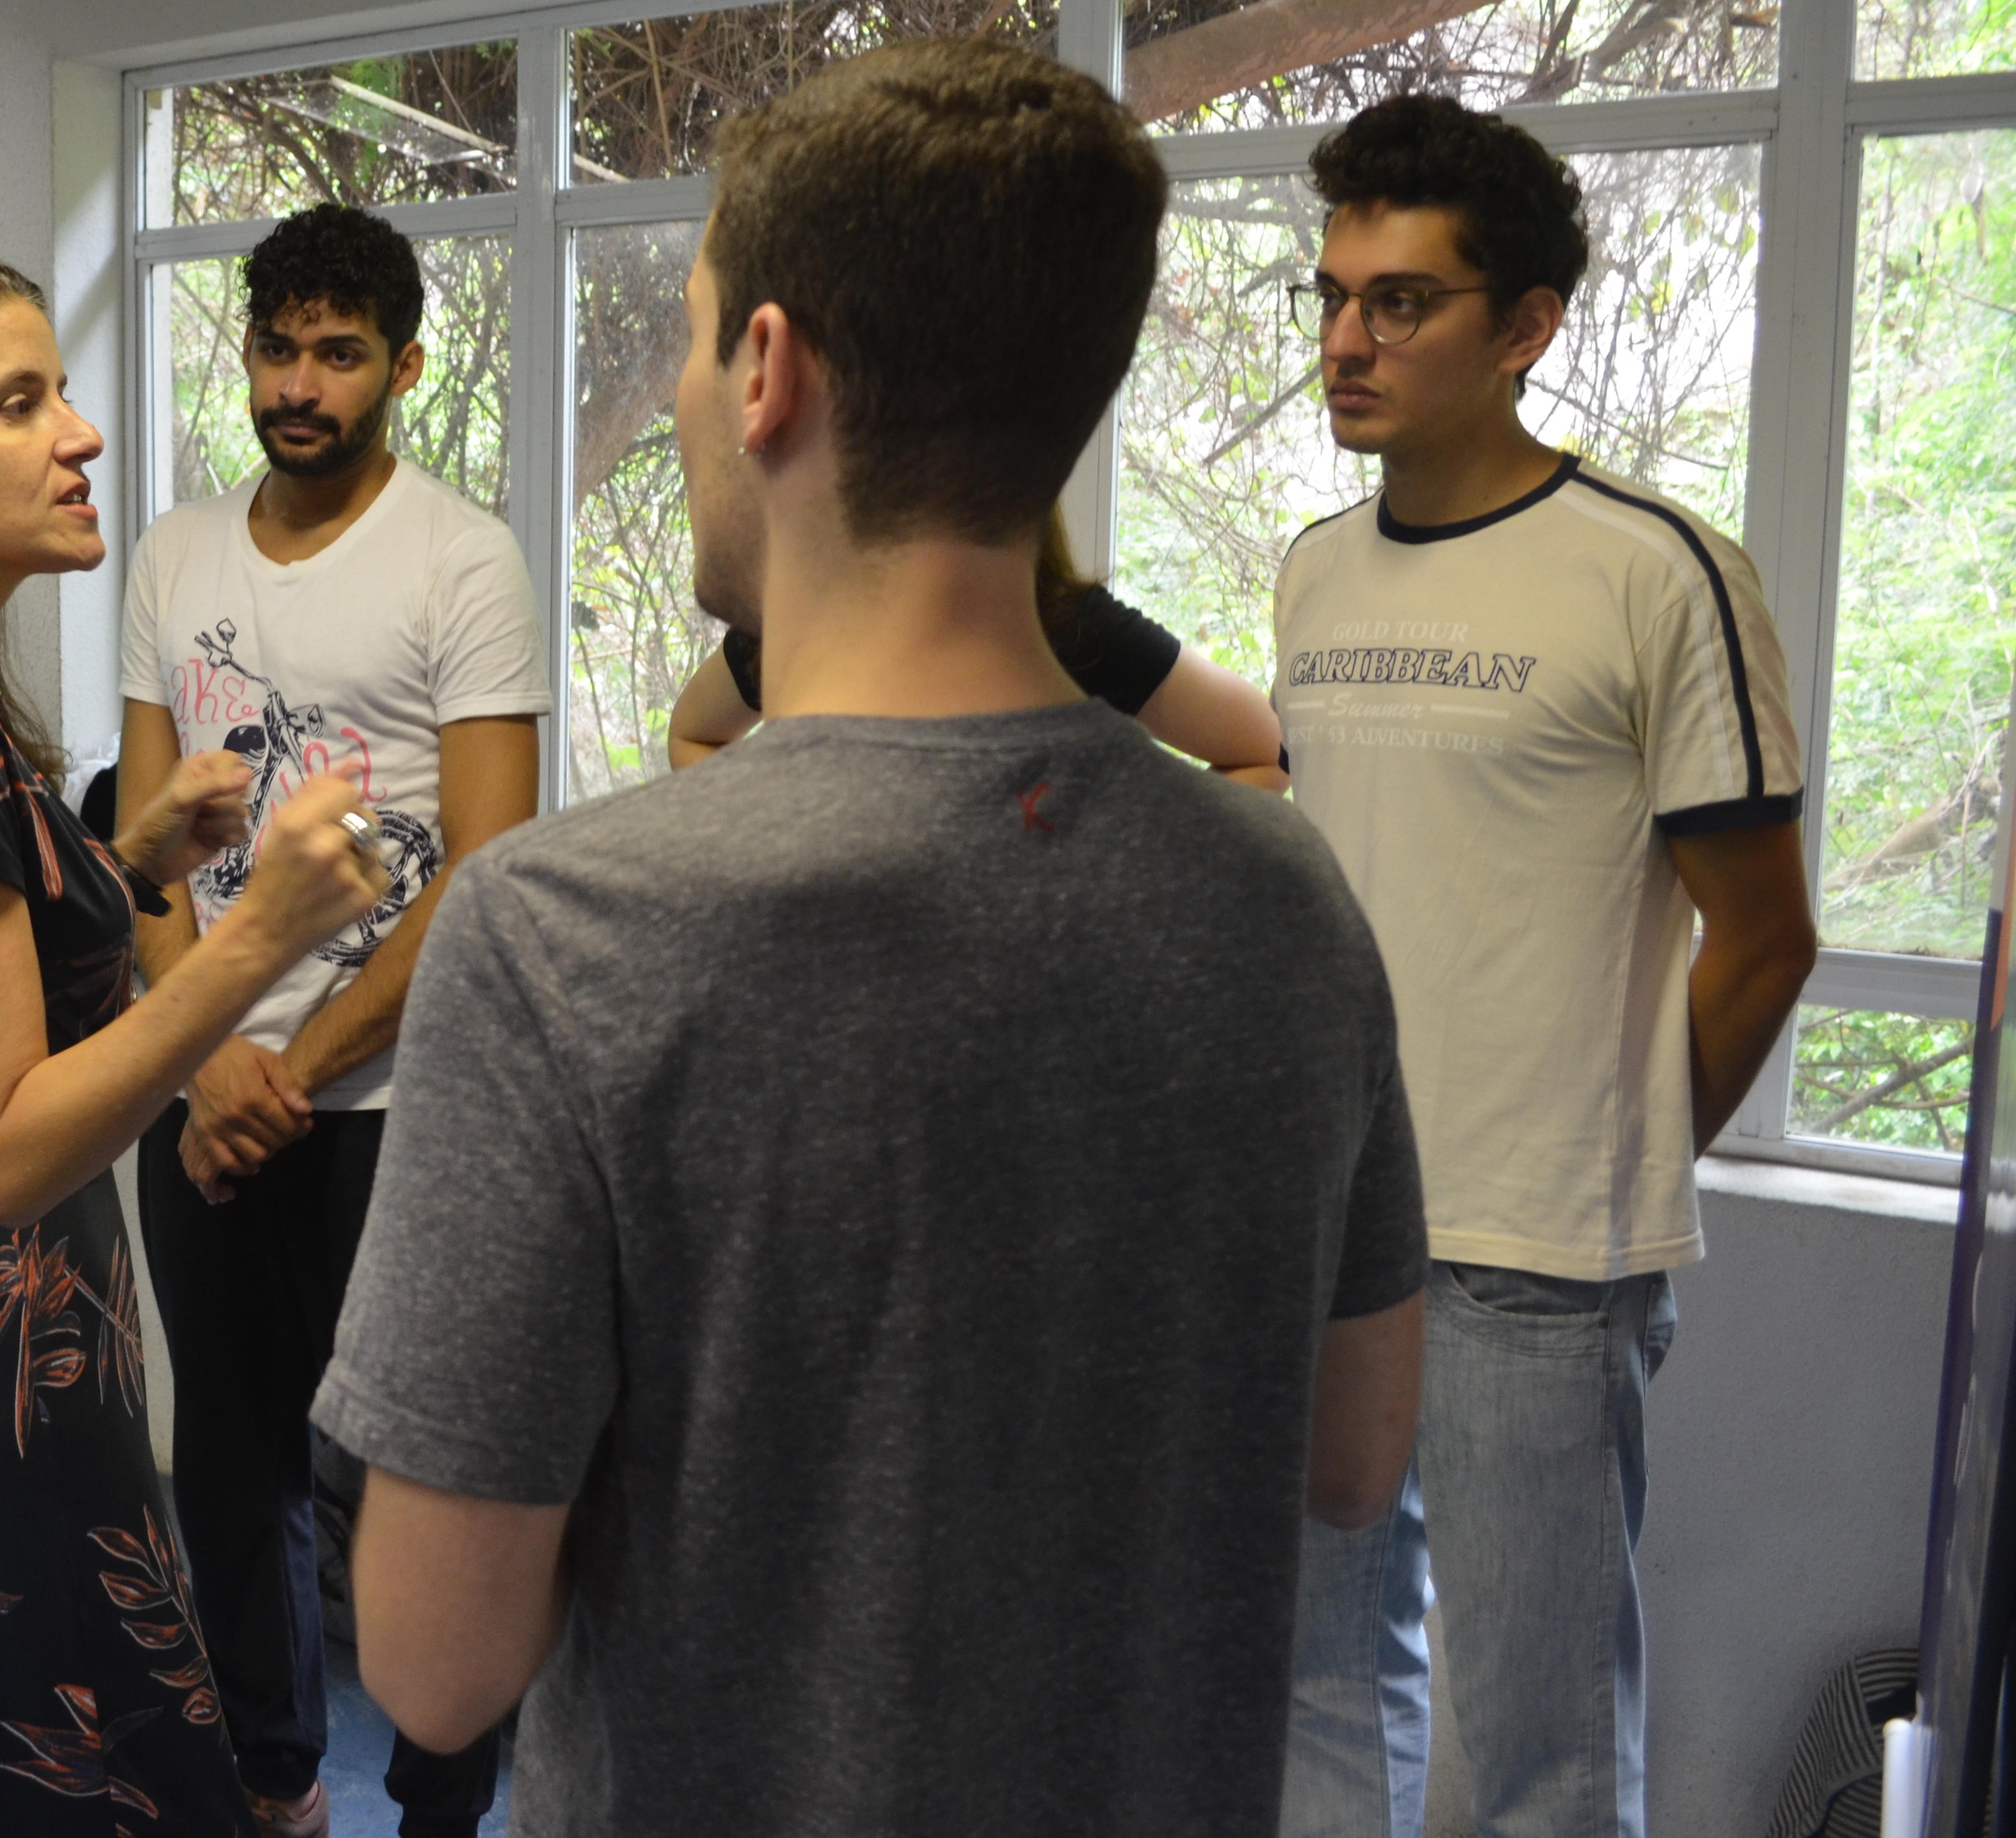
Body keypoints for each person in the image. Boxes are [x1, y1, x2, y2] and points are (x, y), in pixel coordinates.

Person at [311, 39, 1433, 1837]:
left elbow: (434, 1667)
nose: (687, 395)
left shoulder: (559, 936)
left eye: (694, 343)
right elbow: (1353, 1459)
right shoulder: (1285, 902)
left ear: (766, 371)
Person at [0, 252, 385, 1837]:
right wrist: (255, 937)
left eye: (64, 393)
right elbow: (8, 1143)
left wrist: (132, 864)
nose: (79, 434)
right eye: (19, 403)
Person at [1269, 97, 1819, 1838]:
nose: (1345, 342)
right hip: (1323, 1228)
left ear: (1523, 326)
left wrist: (1612, 1169)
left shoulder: (1656, 573)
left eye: (1399, 302)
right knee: (1311, 1697)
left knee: (1533, 1760)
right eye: (1331, 296)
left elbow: (1764, 935)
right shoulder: (1311, 575)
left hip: (1535, 1261)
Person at [115, 202, 548, 1838]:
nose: (298, 385)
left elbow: (486, 868)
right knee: (233, 1477)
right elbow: (145, 845)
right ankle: (276, 1785)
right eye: (275, 347)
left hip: (389, 1116)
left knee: (422, 1485)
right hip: (203, 1090)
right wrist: (202, 1054)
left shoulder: (460, 558)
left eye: (338, 354)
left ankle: (440, 1810)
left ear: (404, 369)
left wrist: (283, 1070)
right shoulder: (174, 553)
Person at [666, 502, 1288, 784]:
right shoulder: (802, 619)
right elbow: (694, 734)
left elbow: (1268, 752)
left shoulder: (1071, 629)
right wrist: (772, 837)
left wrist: (1122, 857)